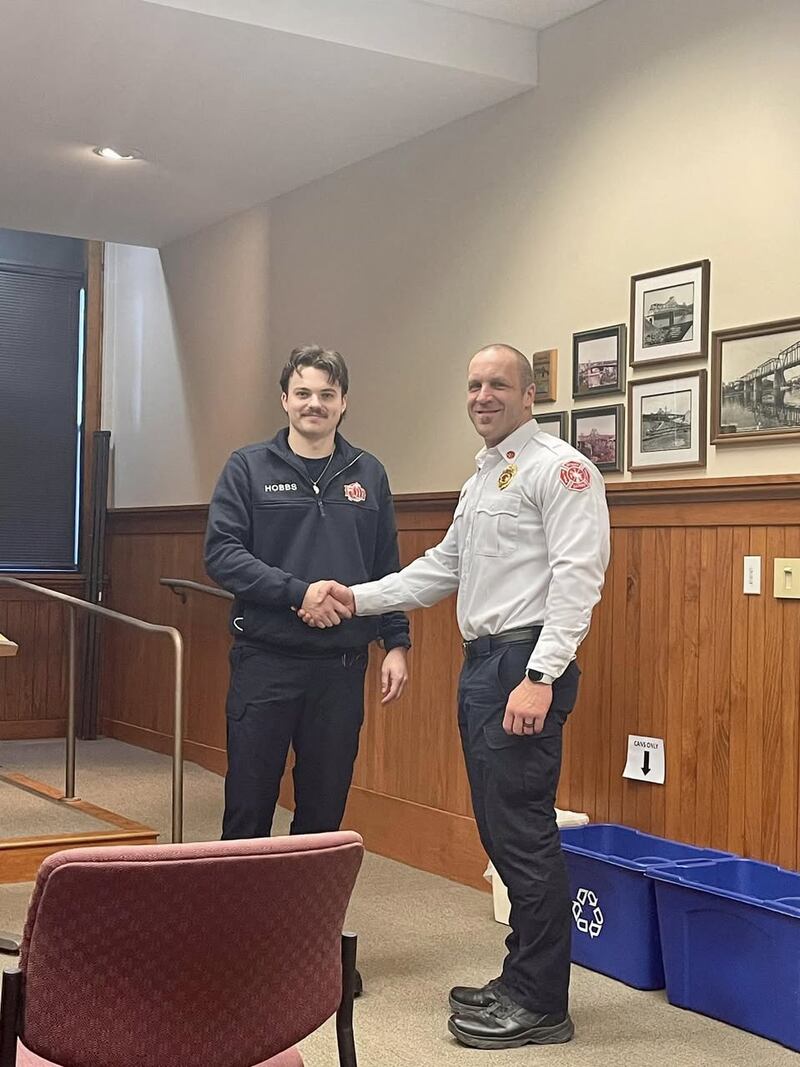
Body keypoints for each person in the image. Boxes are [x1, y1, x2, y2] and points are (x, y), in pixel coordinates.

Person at [299, 344, 610, 1049]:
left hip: (524, 666)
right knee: (502, 834)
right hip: (483, 667)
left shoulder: (560, 469)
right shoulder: (488, 476)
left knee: (525, 836)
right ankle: (519, 977)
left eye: (498, 383)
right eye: (473, 384)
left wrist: (541, 675)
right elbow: (442, 568)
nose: (482, 395)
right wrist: (358, 597)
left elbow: (578, 580)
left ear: (529, 395)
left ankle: (541, 1002)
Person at [204, 344, 410, 844]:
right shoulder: (248, 467)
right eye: (302, 393)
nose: (313, 404)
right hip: (265, 661)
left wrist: (396, 643)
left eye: (326, 394)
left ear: (343, 403)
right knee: (249, 802)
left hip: (341, 668)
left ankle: (309, 924)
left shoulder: (369, 473)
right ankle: (238, 922)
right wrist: (299, 594)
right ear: (284, 400)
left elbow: (387, 566)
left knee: (324, 807)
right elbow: (222, 554)